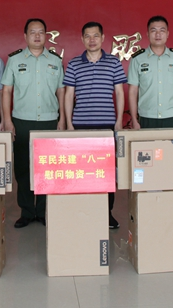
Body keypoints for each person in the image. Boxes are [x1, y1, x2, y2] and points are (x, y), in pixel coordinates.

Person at [1, 18, 65, 228]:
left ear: (46, 35)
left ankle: (43, 211)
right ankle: (27, 211)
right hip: (22, 121)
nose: (37, 36)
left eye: (41, 32)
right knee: (23, 169)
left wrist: (62, 119)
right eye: (32, 32)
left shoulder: (55, 61)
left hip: (49, 121)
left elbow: (61, 91)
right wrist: (7, 120)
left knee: (48, 168)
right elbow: (7, 91)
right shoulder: (15, 60)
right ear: (25, 36)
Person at [63, 21, 127, 229]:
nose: (92, 40)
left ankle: (107, 213)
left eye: (96, 36)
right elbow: (68, 95)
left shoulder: (113, 62)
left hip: (106, 126)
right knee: (81, 171)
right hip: (80, 126)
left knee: (106, 173)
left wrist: (118, 121)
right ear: (82, 39)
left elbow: (119, 92)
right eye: (88, 36)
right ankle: (83, 211)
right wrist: (69, 124)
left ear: (103, 38)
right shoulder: (74, 64)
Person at [127, 15, 173, 129]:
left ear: (167, 34)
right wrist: (134, 119)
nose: (158, 34)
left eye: (162, 30)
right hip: (146, 117)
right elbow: (133, 91)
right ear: (147, 34)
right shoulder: (137, 59)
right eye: (153, 31)